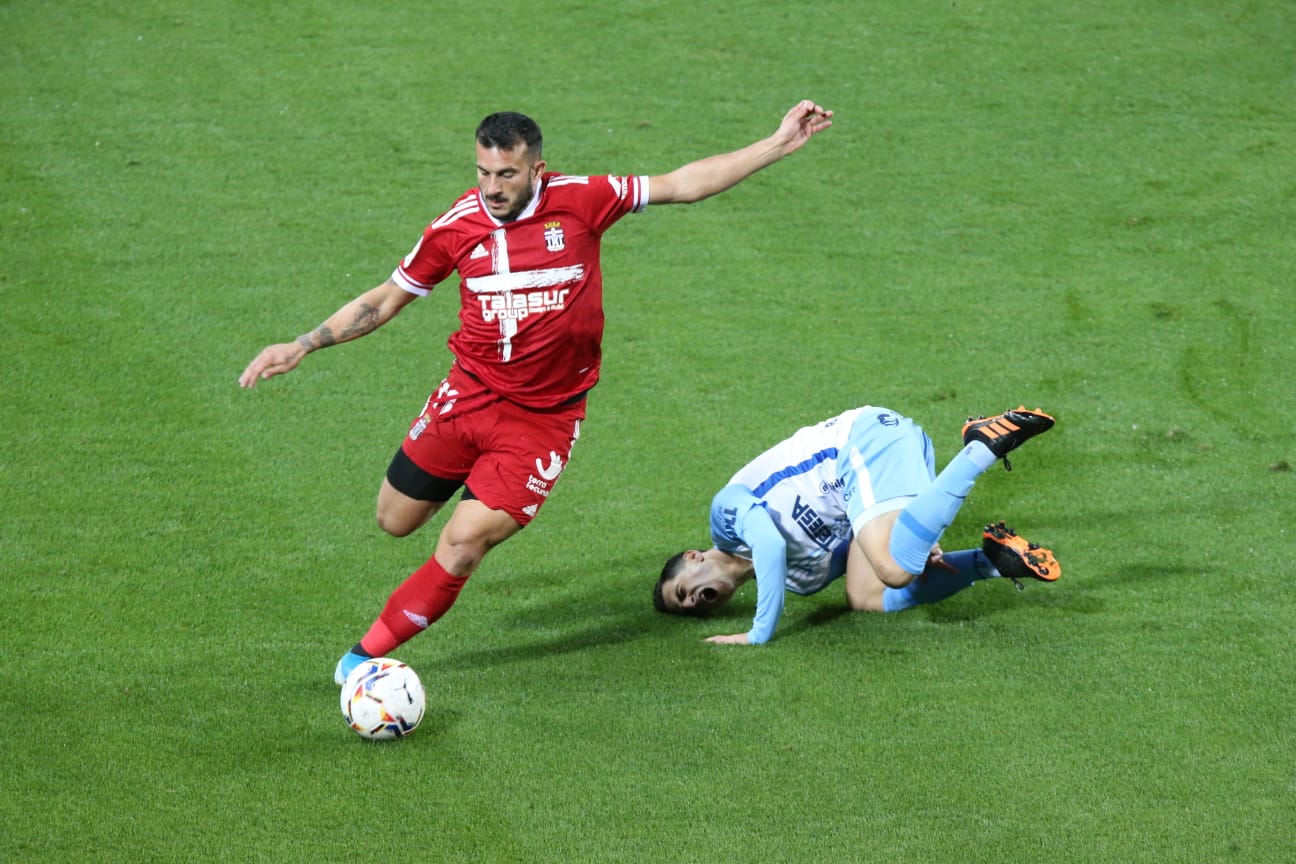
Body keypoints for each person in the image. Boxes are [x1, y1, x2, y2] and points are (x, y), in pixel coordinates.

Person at [238, 101, 834, 683]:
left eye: (506, 174)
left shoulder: (583, 200)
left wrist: (776, 143)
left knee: (464, 543)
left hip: (542, 422)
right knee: (393, 520)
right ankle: (459, 498)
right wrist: (304, 343)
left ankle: (363, 658)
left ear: (536, 170)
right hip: (467, 395)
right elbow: (386, 298)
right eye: (483, 172)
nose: (492, 188)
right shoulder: (455, 227)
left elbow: (683, 184)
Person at [653, 405, 1060, 644]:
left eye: (683, 589)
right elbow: (862, 540)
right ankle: (994, 560)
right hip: (879, 477)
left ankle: (981, 446)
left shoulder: (726, 518)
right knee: (867, 596)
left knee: (893, 568)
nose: (692, 602)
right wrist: (913, 539)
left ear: (693, 557)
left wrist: (759, 632)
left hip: (859, 442)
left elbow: (770, 545)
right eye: (689, 608)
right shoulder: (803, 580)